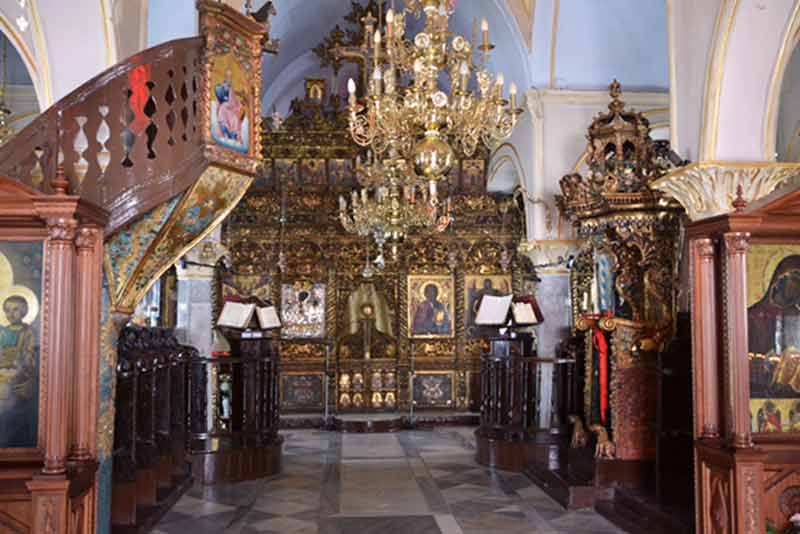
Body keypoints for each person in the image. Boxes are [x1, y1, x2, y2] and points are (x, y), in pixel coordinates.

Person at [0, 295, 38, 447]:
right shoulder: (2, 331)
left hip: (19, 372)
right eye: (7, 310)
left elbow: (30, 354)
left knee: (7, 393)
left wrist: (20, 365)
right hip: (3, 368)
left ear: (24, 311)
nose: (11, 314)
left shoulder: (28, 331)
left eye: (15, 309)